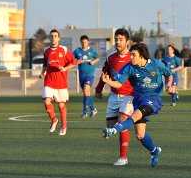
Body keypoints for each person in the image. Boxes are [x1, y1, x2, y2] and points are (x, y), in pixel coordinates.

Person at [101, 43, 173, 167]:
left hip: (153, 99)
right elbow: (118, 84)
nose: (131, 58)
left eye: (133, 55)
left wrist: (170, 85)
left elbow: (169, 74)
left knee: (135, 115)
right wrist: (108, 81)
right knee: (140, 135)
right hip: (138, 99)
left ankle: (114, 130)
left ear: (142, 56)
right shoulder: (129, 67)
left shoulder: (156, 64)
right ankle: (154, 151)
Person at [95, 28, 135, 166]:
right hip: (113, 96)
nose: (118, 42)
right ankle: (124, 129)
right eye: (116, 39)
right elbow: (104, 74)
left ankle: (123, 158)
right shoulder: (110, 57)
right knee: (111, 126)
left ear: (127, 42)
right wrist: (99, 89)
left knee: (122, 124)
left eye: (121, 39)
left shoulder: (133, 57)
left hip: (129, 96)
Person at [39, 29, 76, 136]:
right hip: (49, 81)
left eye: (55, 36)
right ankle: (54, 119)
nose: (53, 38)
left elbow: (73, 63)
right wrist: (43, 73)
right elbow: (45, 65)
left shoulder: (64, 50)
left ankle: (64, 125)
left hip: (61, 83)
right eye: (51, 36)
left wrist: (64, 69)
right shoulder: (46, 50)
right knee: (47, 102)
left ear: (59, 38)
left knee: (61, 105)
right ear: (49, 38)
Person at [73, 35, 100, 118]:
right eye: (82, 42)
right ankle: (93, 109)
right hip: (81, 76)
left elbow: (98, 58)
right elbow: (71, 60)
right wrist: (77, 61)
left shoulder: (92, 51)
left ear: (88, 42)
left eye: (85, 42)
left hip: (90, 75)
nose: (84, 43)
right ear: (80, 42)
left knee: (86, 91)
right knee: (86, 93)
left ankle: (85, 111)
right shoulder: (77, 51)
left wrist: (94, 61)